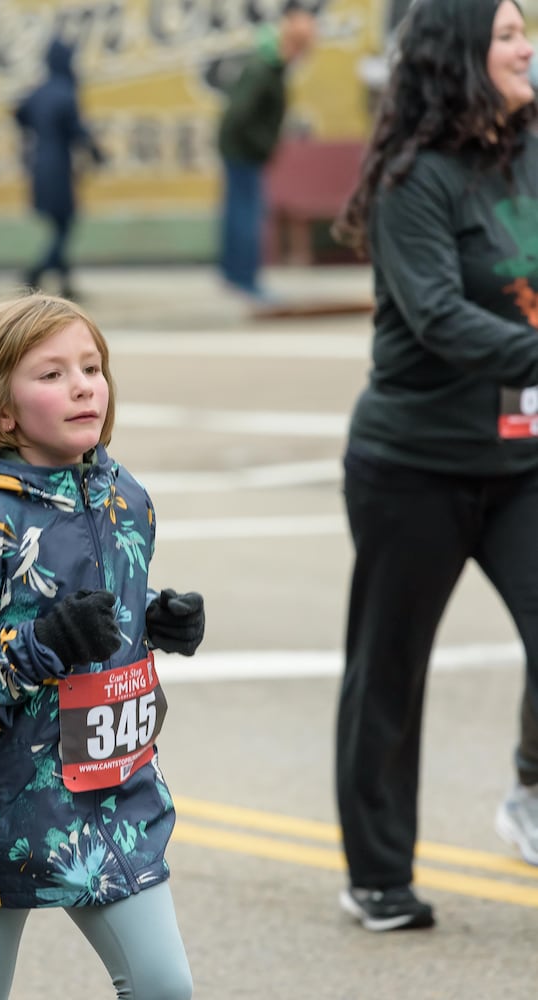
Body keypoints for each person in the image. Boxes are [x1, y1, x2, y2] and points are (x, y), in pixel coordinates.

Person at [0, 293, 203, 1000]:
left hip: (110, 799)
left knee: (165, 988)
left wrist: (155, 619)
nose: (82, 385)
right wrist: (40, 645)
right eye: (52, 374)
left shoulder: (124, 496)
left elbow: (99, 608)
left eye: (91, 367)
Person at [331, 0, 538, 932]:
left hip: (523, 458)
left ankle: (528, 792)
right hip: (411, 462)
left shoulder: (532, 150)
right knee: (390, 672)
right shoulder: (414, 180)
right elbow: (439, 317)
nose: (527, 45)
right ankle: (377, 872)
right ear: (460, 54)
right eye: (506, 34)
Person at [215, 0, 317, 302]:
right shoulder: (264, 69)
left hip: (242, 150)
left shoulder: (269, 66)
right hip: (243, 152)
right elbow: (238, 116)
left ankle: (236, 275)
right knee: (247, 216)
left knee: (239, 213)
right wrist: (261, 146)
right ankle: (245, 279)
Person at [13, 39, 105, 299]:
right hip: (58, 165)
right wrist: (95, 152)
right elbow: (76, 130)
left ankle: (64, 282)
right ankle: (39, 270)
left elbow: (19, 113)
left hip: (39, 161)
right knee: (65, 224)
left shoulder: (39, 91)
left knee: (60, 224)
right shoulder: (65, 91)